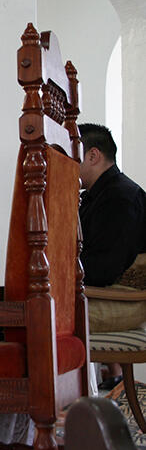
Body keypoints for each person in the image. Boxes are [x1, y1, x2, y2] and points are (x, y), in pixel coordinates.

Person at [78, 123, 146, 389]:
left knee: (40, 315)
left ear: (92, 156)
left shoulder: (121, 197)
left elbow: (105, 269)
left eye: (72, 156)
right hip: (104, 294)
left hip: (123, 302)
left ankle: (59, 406)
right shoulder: (98, 195)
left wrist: (59, 269)